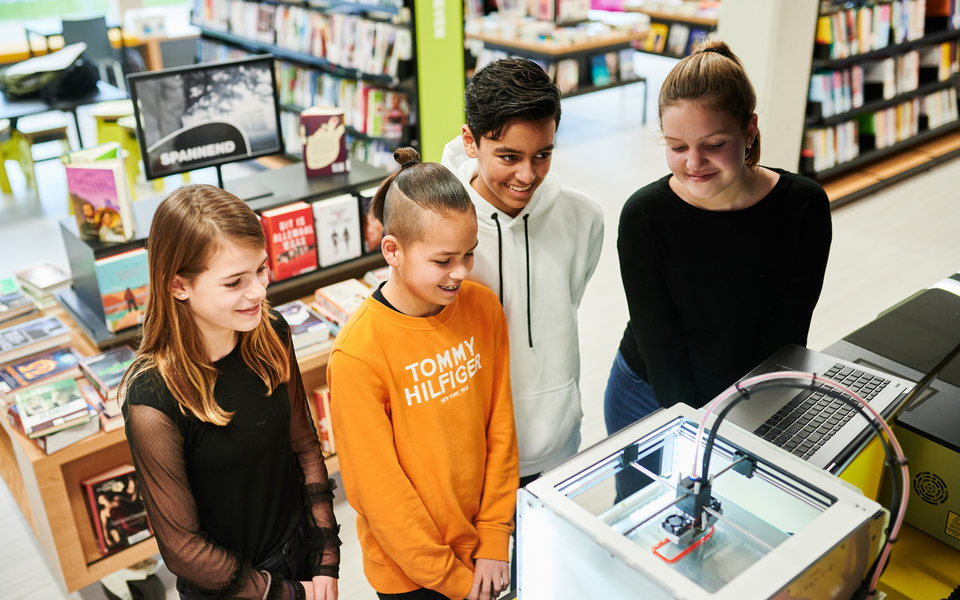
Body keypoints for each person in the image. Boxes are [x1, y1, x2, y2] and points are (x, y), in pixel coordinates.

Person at [120, 184, 340, 600]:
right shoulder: (152, 399)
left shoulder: (271, 333)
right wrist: (288, 593)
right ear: (178, 286)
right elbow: (184, 550)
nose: (257, 291)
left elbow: (305, 446)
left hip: (299, 554)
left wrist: (325, 557)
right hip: (230, 587)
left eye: (260, 269)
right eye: (234, 282)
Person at [607, 41, 832, 440]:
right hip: (648, 396)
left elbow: (787, 332)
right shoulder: (645, 215)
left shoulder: (803, 206)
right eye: (677, 147)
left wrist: (741, 422)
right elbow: (661, 342)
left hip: (756, 399)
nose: (693, 164)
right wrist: (696, 428)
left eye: (713, 145)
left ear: (749, 131)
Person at [440, 58, 603, 586]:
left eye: (543, 155)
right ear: (470, 141)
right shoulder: (437, 228)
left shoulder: (584, 219)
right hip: (470, 464)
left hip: (556, 446)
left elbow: (567, 301)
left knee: (546, 577)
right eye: (508, 156)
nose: (527, 175)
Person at [328, 148, 519, 600]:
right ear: (392, 250)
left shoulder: (482, 308)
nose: (460, 273)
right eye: (443, 260)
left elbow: (501, 427)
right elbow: (379, 494)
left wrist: (495, 536)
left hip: (484, 552)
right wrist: (454, 581)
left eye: (469, 255)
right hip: (411, 576)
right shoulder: (358, 354)